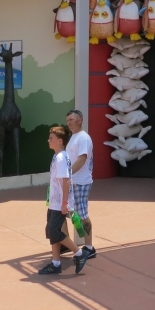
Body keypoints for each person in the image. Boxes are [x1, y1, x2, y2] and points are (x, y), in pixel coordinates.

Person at [39, 125, 89, 275]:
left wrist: (65, 203)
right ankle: (55, 263)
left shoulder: (61, 157)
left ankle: (79, 254)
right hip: (55, 202)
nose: (48, 140)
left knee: (54, 231)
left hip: (60, 203)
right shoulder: (58, 156)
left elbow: (66, 180)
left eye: (51, 138)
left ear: (60, 141)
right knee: (51, 231)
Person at [65, 109, 96, 260]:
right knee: (73, 213)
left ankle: (89, 247)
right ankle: (74, 243)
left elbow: (81, 159)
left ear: (80, 120)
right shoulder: (74, 137)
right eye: (67, 120)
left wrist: (67, 174)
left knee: (82, 214)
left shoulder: (83, 138)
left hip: (81, 182)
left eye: (71, 119)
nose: (69, 123)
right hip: (72, 181)